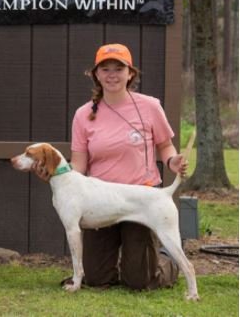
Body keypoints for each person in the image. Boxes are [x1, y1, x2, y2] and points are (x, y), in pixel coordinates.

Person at [68, 43, 188, 290]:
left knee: (140, 281)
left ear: (130, 73)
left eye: (118, 68)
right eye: (105, 69)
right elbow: (78, 166)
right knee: (96, 279)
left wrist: (172, 161)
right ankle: (116, 265)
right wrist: (60, 180)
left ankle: (167, 263)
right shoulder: (83, 114)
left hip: (141, 196)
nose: (112, 75)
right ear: (96, 74)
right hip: (100, 199)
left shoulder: (150, 106)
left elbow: (165, 146)